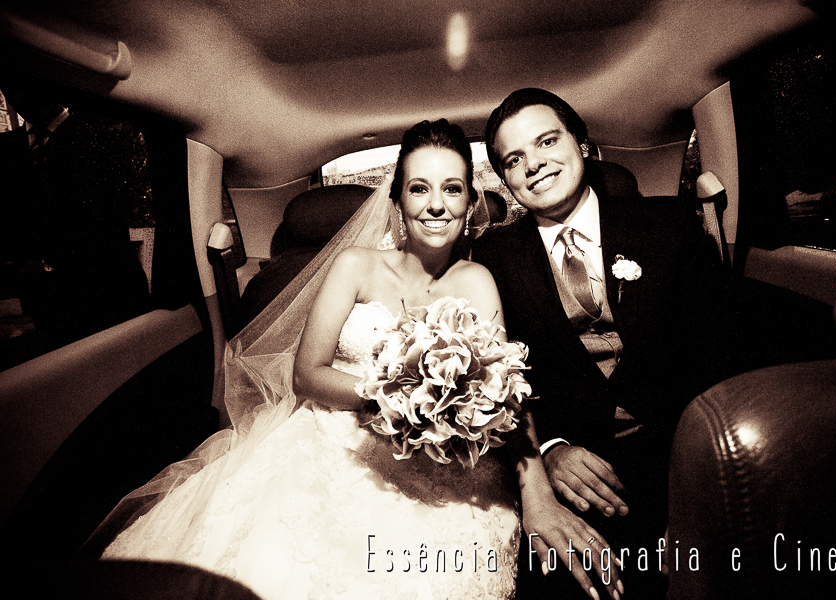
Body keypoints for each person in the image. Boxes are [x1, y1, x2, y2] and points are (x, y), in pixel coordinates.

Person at [94, 119, 535, 600]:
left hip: (440, 457)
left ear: (469, 202)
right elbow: (306, 375)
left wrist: (448, 410)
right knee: (274, 556)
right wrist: (395, 396)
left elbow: (497, 390)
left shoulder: (477, 281)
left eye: (452, 189)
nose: (436, 205)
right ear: (397, 202)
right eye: (419, 188)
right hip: (332, 435)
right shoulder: (355, 265)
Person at [473, 89, 739, 599]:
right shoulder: (492, 257)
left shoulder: (669, 226)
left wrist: (699, 491)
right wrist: (549, 451)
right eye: (514, 159)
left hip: (681, 452)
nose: (534, 165)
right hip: (572, 470)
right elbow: (499, 380)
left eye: (546, 142)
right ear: (506, 180)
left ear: (582, 144)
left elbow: (719, 359)